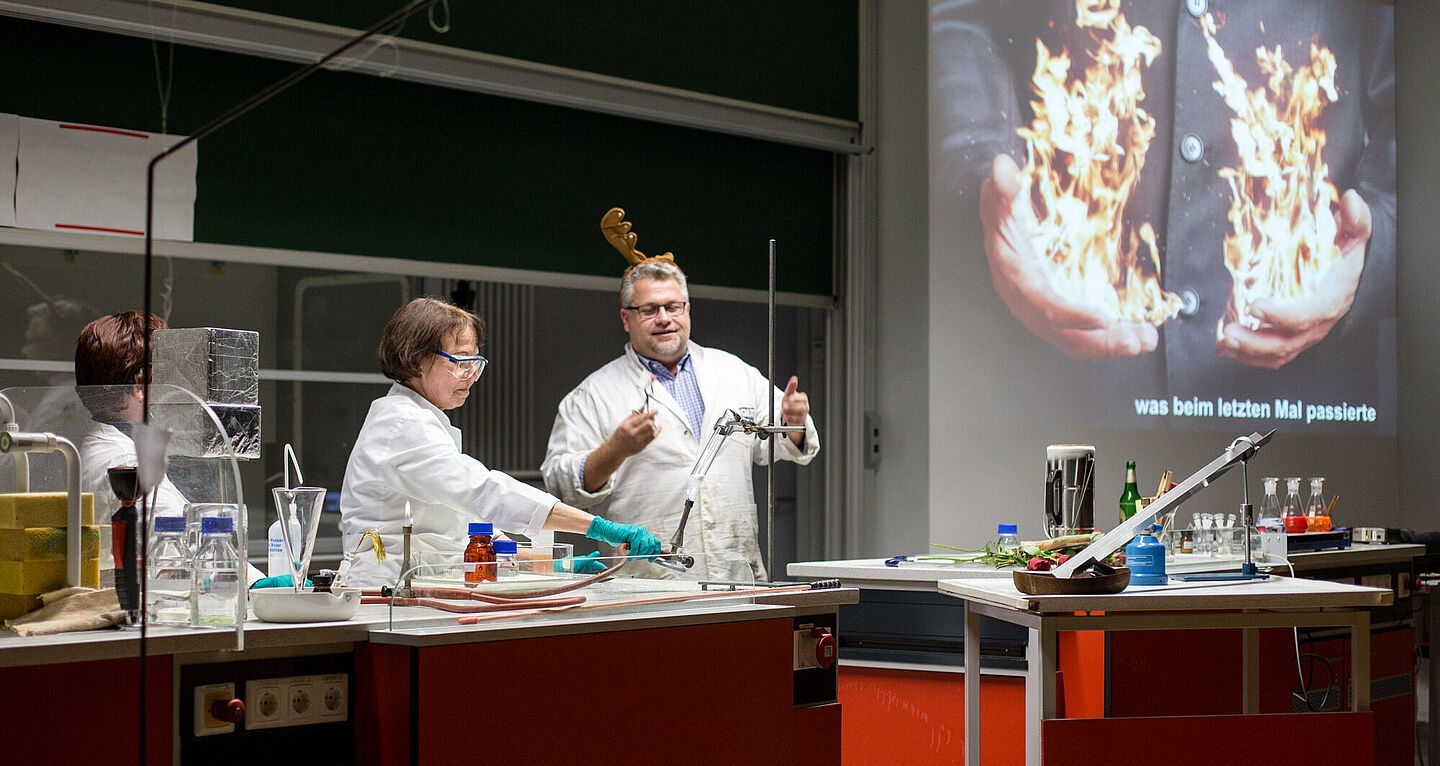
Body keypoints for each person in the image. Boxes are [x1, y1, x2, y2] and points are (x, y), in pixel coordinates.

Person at [932, 0, 1395, 431]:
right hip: (1054, 393)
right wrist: (979, 171)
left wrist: (1378, 245)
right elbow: (961, 15)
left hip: (1308, 408)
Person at [542, 210, 820, 581]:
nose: (664, 318)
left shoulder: (732, 371)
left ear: (687, 310)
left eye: (673, 307)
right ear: (626, 318)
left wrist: (793, 423)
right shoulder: (593, 394)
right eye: (649, 310)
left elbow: (786, 445)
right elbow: (560, 484)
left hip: (736, 570)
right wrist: (616, 449)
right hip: (646, 580)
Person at [339, 297, 662, 588]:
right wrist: (598, 527)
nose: (471, 375)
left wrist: (560, 565)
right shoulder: (401, 424)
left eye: (476, 363)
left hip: (422, 585)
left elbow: (475, 534)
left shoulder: (425, 421)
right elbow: (486, 492)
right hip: (385, 590)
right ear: (417, 359)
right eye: (460, 361)